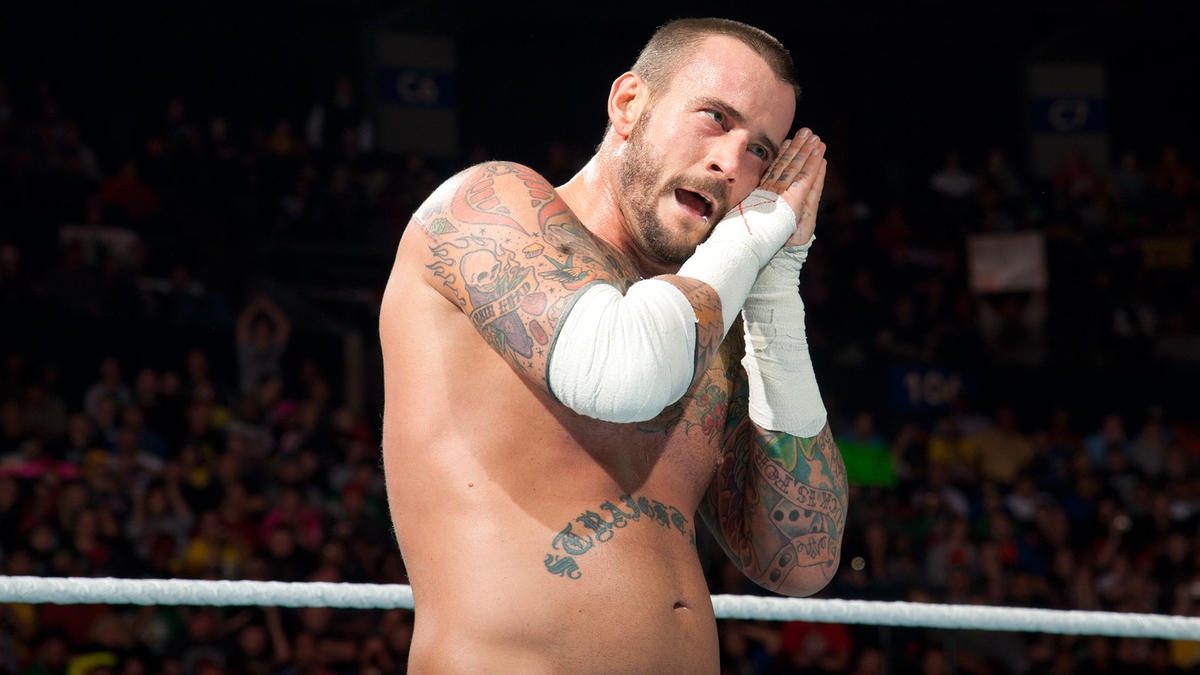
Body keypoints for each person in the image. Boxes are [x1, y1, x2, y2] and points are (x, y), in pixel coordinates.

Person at [379, 17, 846, 673]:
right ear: (629, 104)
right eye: (715, 118)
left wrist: (774, 295)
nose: (731, 164)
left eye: (761, 153)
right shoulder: (485, 208)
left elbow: (801, 560)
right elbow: (621, 372)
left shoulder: (705, 323)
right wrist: (754, 236)